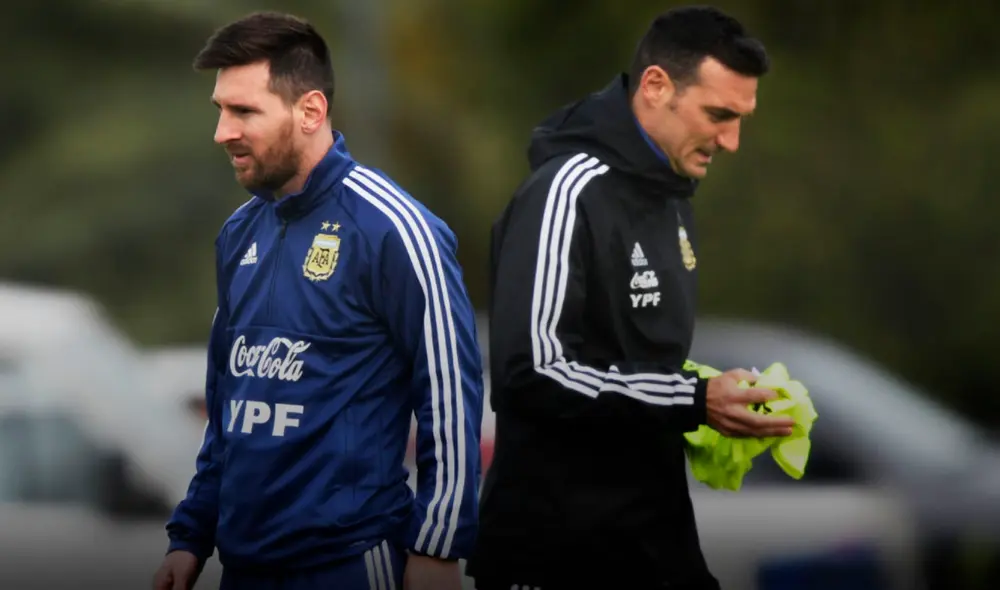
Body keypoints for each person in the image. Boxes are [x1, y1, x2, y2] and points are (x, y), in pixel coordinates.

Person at [466, 6, 797, 590]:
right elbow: (532, 370)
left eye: (741, 119)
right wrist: (694, 399)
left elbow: (633, 362)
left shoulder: (671, 196)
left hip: (653, 541)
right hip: (556, 553)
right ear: (655, 86)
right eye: (718, 115)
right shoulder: (566, 192)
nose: (732, 141)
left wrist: (718, 396)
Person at [152, 11, 484, 590]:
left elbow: (450, 393)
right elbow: (229, 410)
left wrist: (437, 548)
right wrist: (191, 536)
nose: (222, 132)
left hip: (351, 565)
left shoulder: (394, 229)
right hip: (243, 569)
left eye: (244, 111)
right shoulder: (238, 236)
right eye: (220, 111)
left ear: (310, 111)